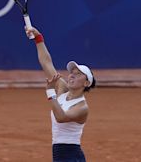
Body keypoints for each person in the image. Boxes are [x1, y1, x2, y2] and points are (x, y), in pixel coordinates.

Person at [25, 27, 96, 162]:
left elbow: (61, 117)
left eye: (78, 74)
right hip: (60, 153)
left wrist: (51, 92)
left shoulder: (82, 107)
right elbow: (46, 63)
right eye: (72, 73)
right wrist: (39, 38)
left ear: (86, 83)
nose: (72, 76)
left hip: (71, 155)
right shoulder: (62, 89)